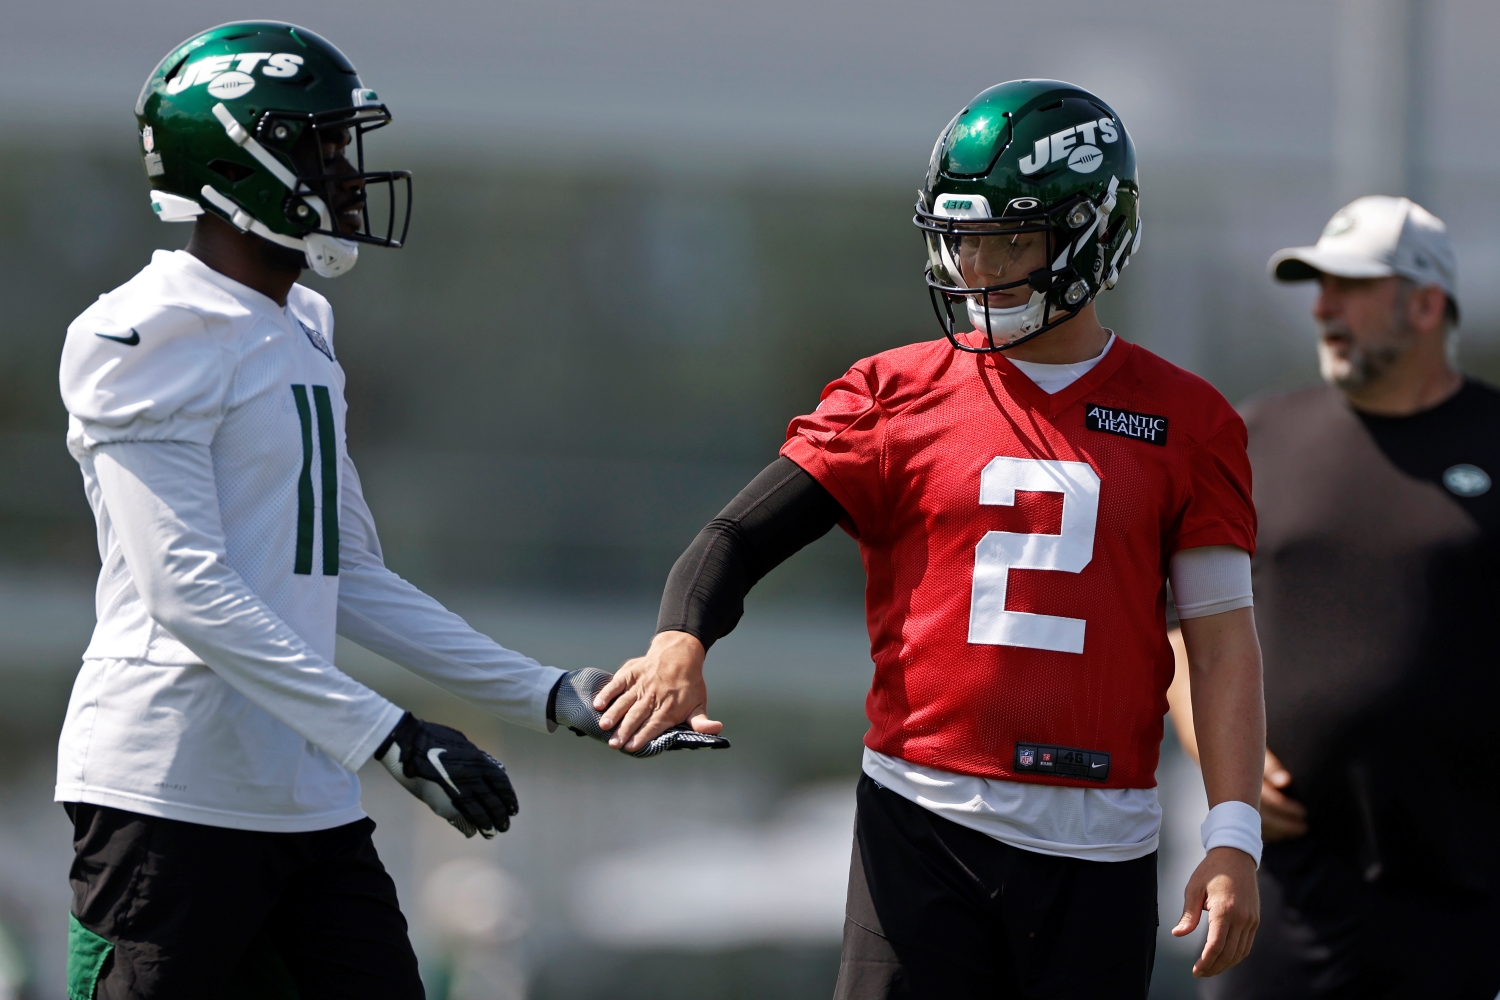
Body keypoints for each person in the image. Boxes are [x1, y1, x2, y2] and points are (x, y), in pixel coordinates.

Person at [56, 22, 720, 1000]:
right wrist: (392, 735)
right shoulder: (146, 329)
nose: (350, 174)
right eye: (323, 148)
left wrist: (547, 694)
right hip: (170, 795)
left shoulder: (303, 321)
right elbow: (185, 590)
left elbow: (349, 575)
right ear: (238, 159)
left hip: (303, 793)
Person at [588, 80, 1265, 998]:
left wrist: (1232, 836)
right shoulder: (893, 393)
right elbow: (736, 537)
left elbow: (1221, 643)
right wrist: (681, 638)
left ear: (1094, 232)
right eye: (964, 240)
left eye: (1009, 239)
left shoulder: (1191, 420)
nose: (978, 270)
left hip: (1105, 838)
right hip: (922, 816)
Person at [1167, 196, 1500, 1000]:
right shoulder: (1254, 437)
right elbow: (1174, 623)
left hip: (1470, 898)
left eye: (1351, 287)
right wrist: (1216, 750)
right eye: (1317, 287)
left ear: (1426, 304)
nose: (1322, 308)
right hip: (1283, 893)